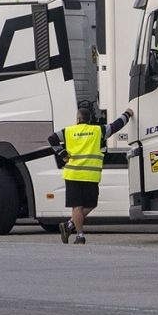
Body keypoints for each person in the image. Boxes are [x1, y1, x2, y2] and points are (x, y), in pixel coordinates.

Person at [52, 99, 131, 245]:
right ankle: (79, 235)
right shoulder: (98, 131)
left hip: (73, 174)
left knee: (77, 206)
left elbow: (52, 139)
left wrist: (63, 154)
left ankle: (70, 225)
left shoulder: (68, 131)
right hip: (90, 176)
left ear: (78, 119)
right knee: (89, 205)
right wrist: (127, 114)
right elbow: (116, 126)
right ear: (89, 119)